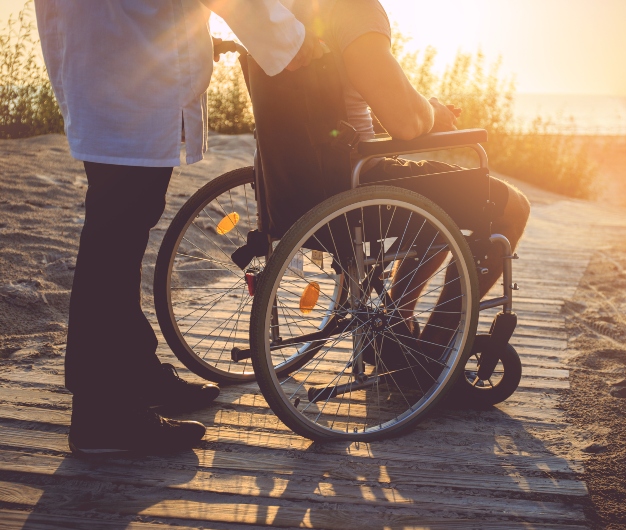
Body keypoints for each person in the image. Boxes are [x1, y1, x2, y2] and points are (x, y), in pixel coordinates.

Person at [34, 0, 324, 455]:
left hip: (109, 60)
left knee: (119, 233)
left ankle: (132, 375)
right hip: (129, 75)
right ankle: (102, 414)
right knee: (114, 240)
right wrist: (290, 41)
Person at [281, 0, 531, 354]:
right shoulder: (355, 11)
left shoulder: (286, 12)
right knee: (513, 207)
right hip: (357, 186)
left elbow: (338, 114)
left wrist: (420, 112)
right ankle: (432, 350)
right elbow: (405, 122)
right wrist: (433, 114)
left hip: (298, 185)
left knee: (434, 200)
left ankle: (397, 325)